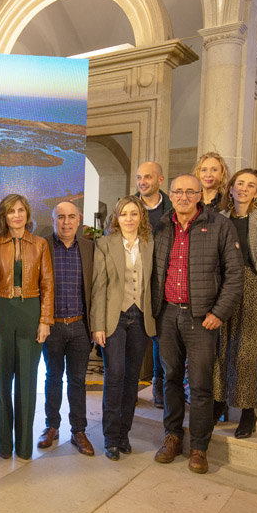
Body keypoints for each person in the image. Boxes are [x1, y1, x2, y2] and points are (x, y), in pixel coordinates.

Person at [151, 175, 243, 474]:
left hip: (201, 317)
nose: (183, 197)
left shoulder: (219, 225)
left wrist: (219, 312)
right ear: (171, 194)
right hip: (167, 314)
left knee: (201, 385)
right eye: (178, 191)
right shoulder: (161, 225)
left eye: (190, 191)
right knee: (171, 379)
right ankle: (173, 437)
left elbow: (235, 274)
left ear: (199, 195)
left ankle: (199, 447)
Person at [0, 194, 53, 460]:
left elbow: (48, 285)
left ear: (27, 214)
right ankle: (4, 444)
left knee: (27, 382)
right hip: (1, 312)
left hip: (31, 313)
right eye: (11, 211)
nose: (17, 215)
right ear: (4, 216)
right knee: (1, 382)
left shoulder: (41, 244)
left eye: (21, 210)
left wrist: (45, 321)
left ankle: (24, 446)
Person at [213, 169, 257, 438]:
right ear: (230, 188)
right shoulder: (218, 219)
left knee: (247, 354)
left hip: (253, 288)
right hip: (221, 289)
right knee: (219, 349)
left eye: (250, 185)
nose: (243, 188)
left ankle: (247, 412)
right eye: (239, 183)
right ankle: (218, 402)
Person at [89, 196, 156, 461]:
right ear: (116, 217)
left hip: (140, 318)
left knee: (132, 379)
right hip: (114, 318)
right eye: (124, 214)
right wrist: (98, 325)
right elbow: (99, 287)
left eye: (134, 213)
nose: (129, 218)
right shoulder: (105, 244)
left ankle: (124, 433)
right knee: (114, 375)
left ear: (141, 217)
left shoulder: (149, 244)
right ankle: (110, 436)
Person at [39, 201, 95, 456]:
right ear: (53, 220)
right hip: (52, 326)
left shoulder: (89, 248)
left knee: (77, 380)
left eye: (71, 217)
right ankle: (52, 426)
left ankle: (78, 430)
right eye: (61, 217)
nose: (66, 222)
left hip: (80, 326)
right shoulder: (43, 246)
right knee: (52, 377)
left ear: (79, 219)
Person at [135, 161, 173, 408]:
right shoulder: (127, 206)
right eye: (139, 177)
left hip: (163, 282)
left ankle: (158, 386)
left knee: (160, 338)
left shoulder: (173, 210)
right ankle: (131, 386)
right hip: (133, 282)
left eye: (148, 177)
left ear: (160, 179)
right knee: (132, 337)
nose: (142, 182)